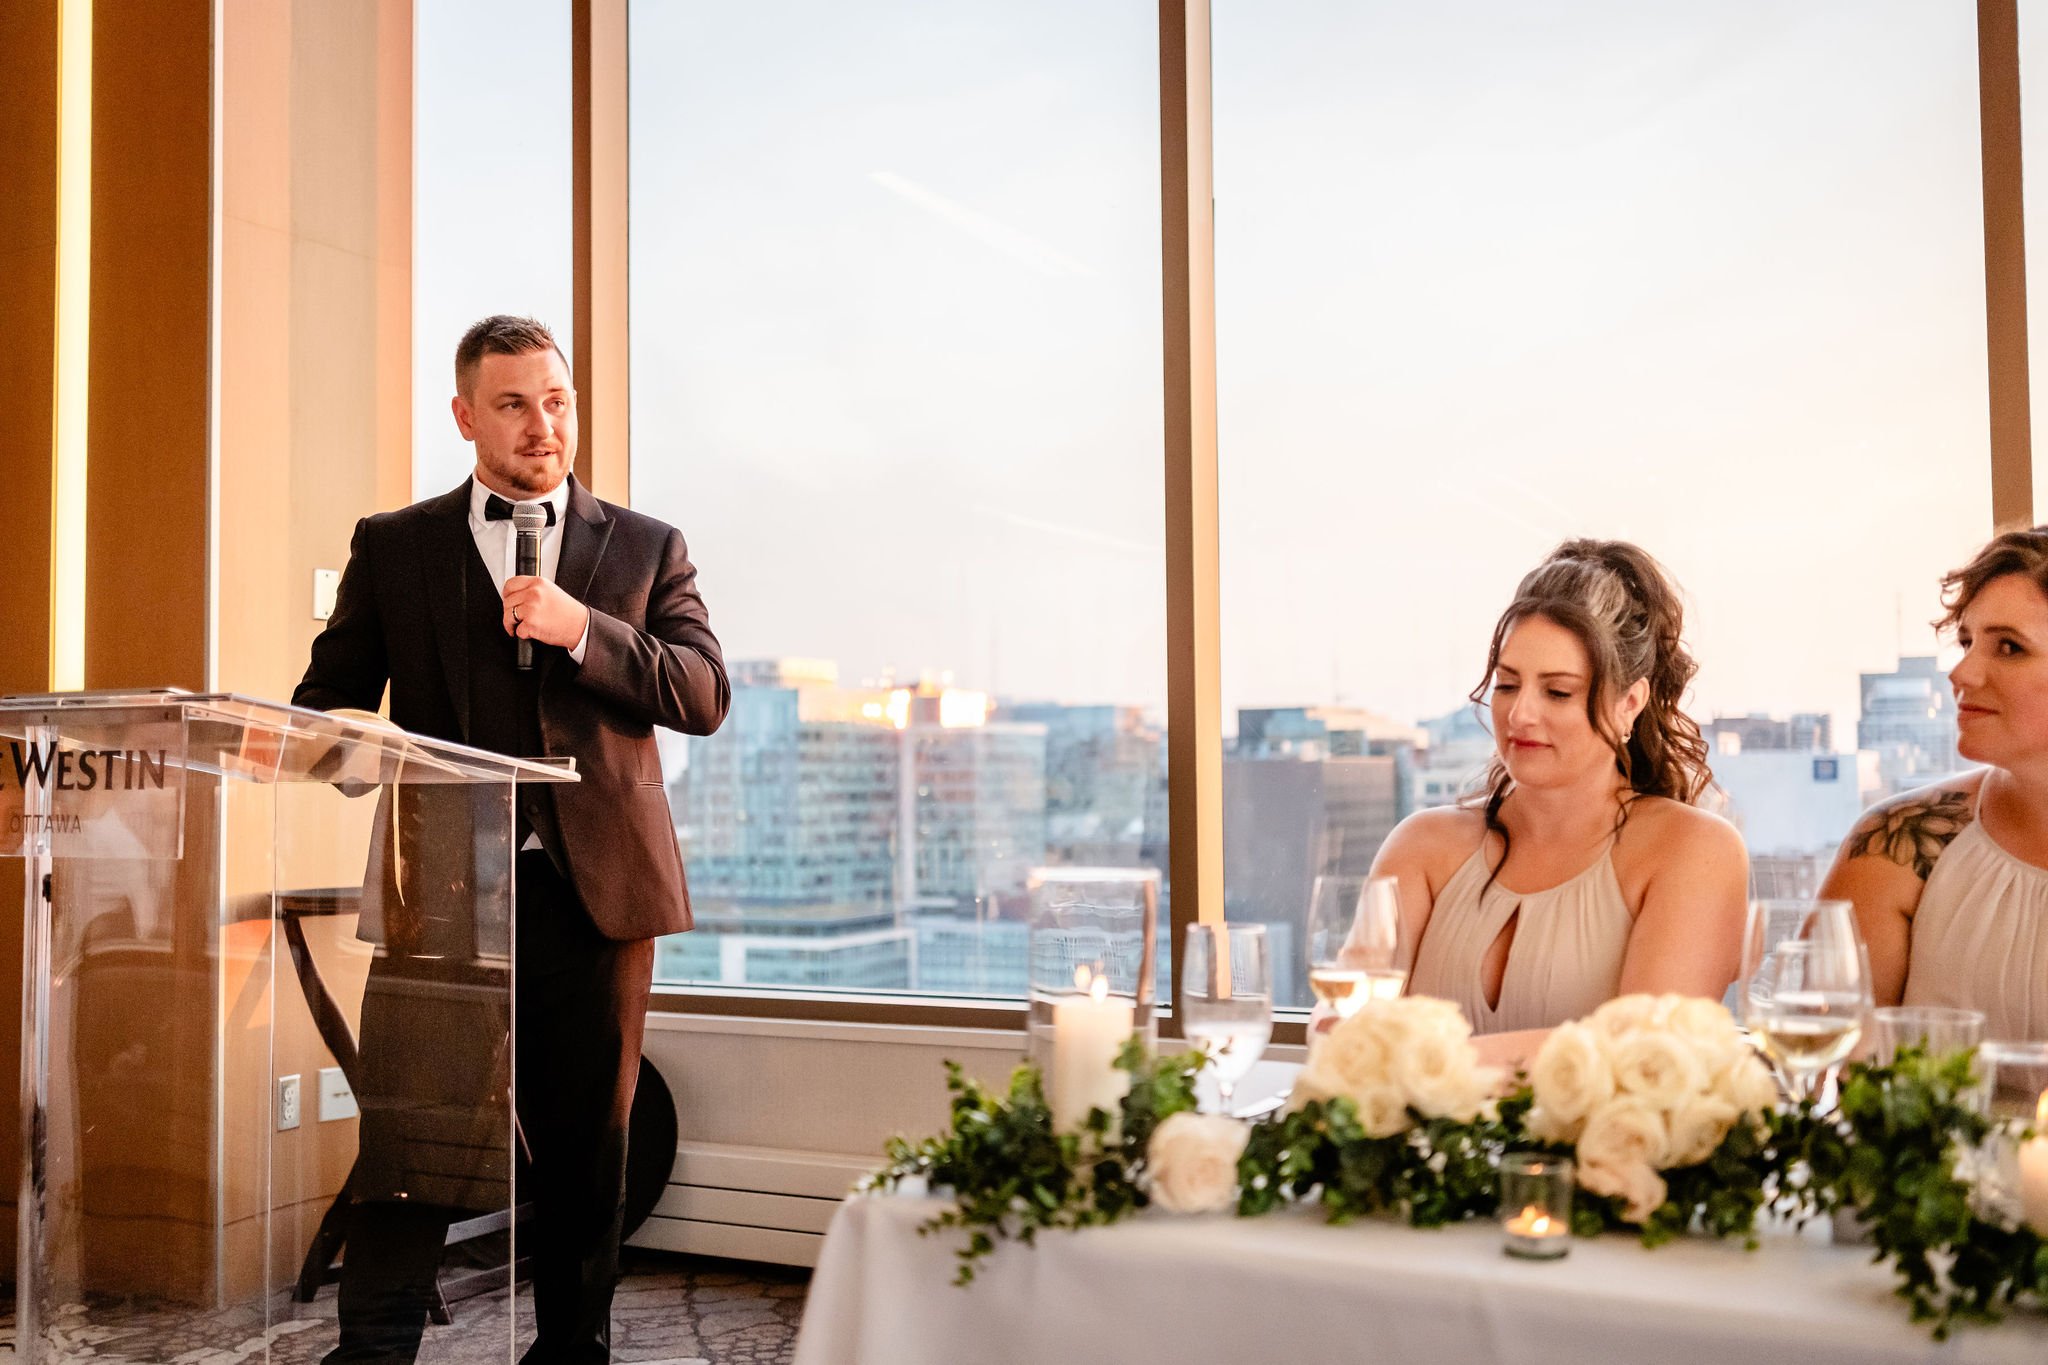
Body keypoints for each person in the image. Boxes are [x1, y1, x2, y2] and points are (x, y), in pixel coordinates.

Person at [294, 314, 728, 1365]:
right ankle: (374, 1352)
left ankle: (573, 1350)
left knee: (589, 1149)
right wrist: (344, 745)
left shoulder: (645, 546)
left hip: (598, 896)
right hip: (441, 891)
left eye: (557, 399)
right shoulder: (394, 546)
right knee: (410, 1142)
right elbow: (326, 704)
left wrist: (583, 628)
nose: (543, 424)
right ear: (463, 416)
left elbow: (703, 692)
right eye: (513, 403)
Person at [1319, 539, 1748, 1061]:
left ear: (1628, 703)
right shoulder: (1421, 846)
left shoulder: (1694, 850)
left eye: (1558, 692)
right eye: (1506, 684)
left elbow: (1644, 1051)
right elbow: (1340, 1021)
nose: (1519, 715)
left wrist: (1428, 1065)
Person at [1820, 527, 2048, 1041]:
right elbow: (1830, 1070)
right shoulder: (1893, 842)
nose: (1962, 672)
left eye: (2009, 647)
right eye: (1967, 641)